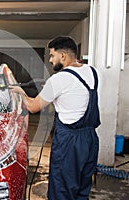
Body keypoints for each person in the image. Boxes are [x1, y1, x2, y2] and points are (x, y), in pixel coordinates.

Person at [10, 36, 101, 200]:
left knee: (61, 190)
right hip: (90, 140)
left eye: (52, 55)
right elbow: (75, 95)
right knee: (82, 189)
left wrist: (20, 92)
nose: (51, 60)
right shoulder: (93, 72)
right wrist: (51, 90)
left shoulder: (59, 79)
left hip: (69, 143)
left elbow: (32, 107)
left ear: (63, 55)